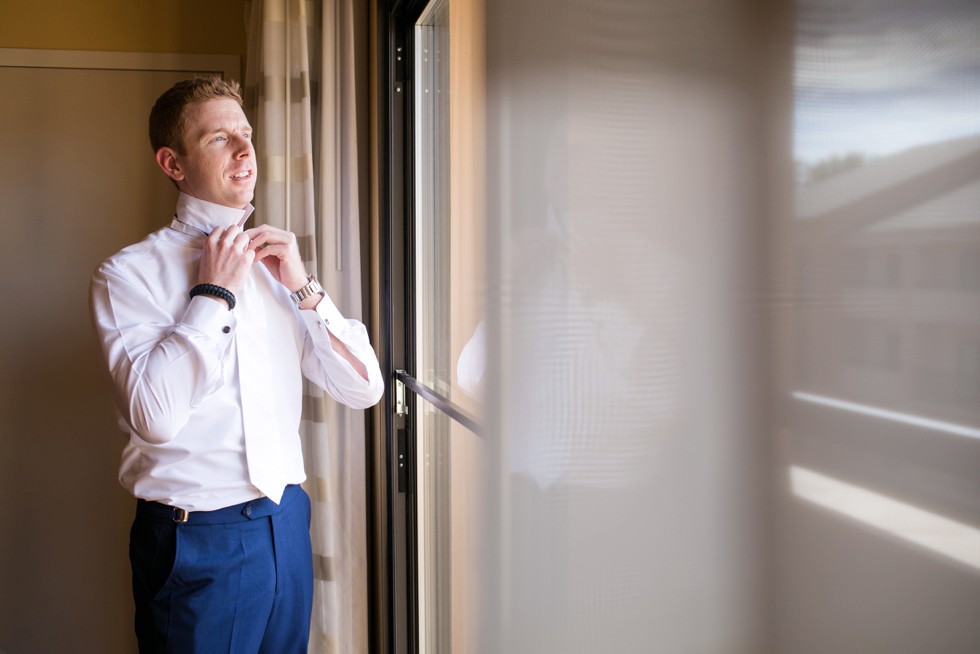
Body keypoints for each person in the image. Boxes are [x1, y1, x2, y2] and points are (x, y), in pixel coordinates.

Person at [89, 77, 384, 652]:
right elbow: (154, 416)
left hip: (285, 523)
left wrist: (304, 288)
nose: (245, 150)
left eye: (245, 134)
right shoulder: (127, 275)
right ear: (172, 162)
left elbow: (365, 389)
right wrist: (213, 295)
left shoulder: (279, 270)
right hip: (195, 537)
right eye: (220, 138)